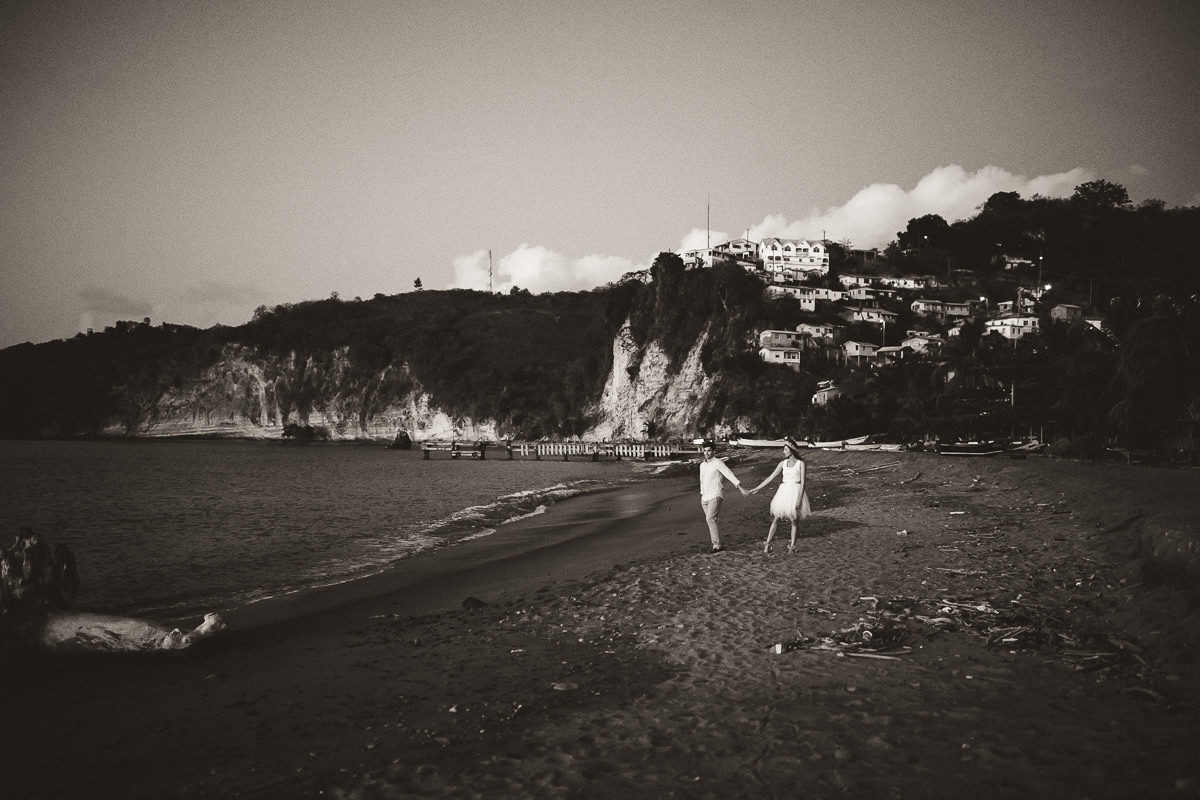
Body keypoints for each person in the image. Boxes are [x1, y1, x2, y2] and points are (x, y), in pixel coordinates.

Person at [749, 437, 811, 553]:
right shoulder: (782, 463)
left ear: (792, 450)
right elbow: (771, 477)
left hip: (796, 490)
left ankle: (792, 546)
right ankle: (768, 543)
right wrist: (757, 488)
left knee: (794, 520)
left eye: (786, 449)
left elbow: (803, 483)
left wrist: (799, 499)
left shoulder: (800, 464)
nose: (783, 451)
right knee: (777, 517)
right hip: (784, 491)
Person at [698, 440, 749, 553]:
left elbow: (729, 474)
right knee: (711, 521)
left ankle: (716, 545)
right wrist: (702, 494)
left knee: (710, 519)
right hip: (704, 497)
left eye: (709, 451)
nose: (706, 453)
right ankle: (718, 543)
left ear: (714, 451)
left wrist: (740, 487)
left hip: (715, 495)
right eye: (705, 451)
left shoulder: (718, 463)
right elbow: (702, 480)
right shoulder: (702, 465)